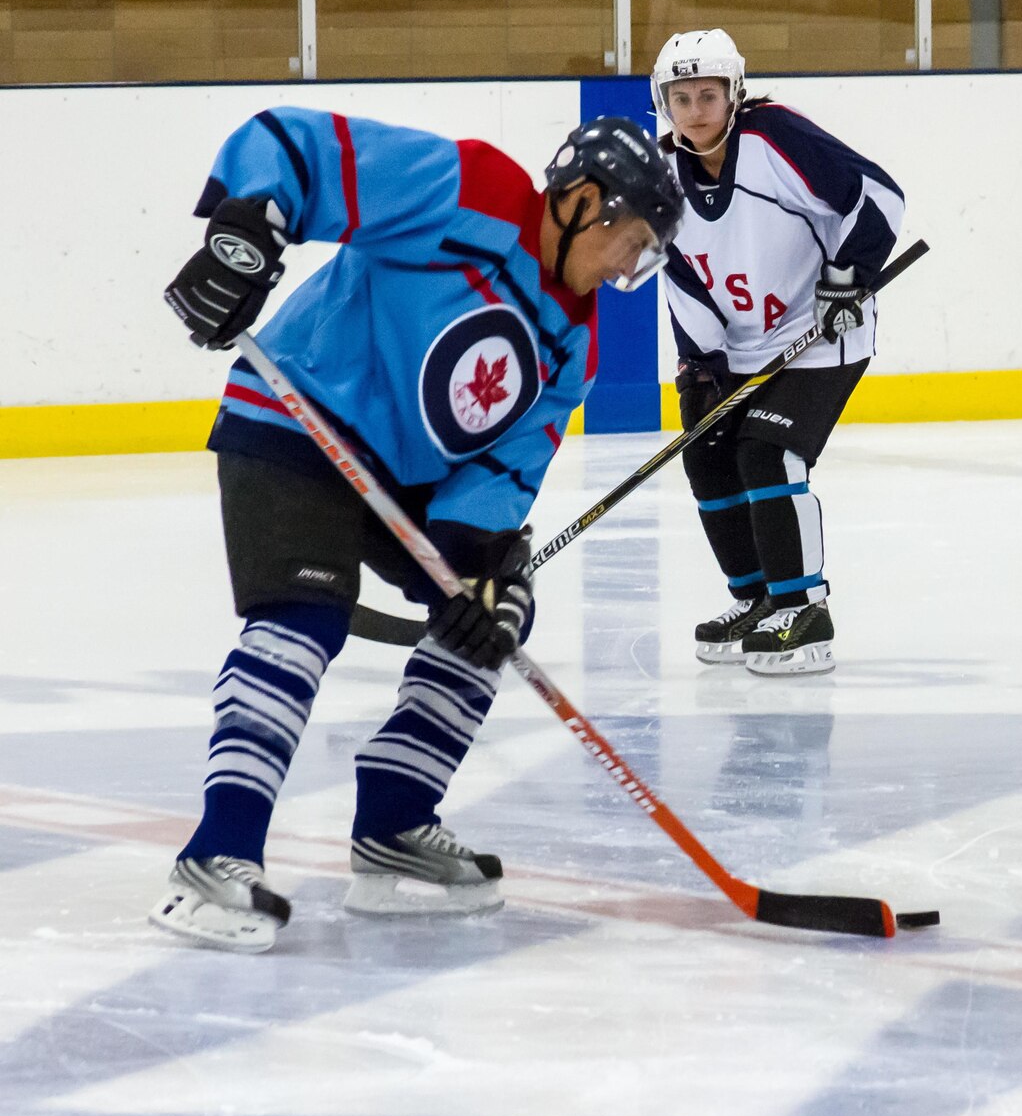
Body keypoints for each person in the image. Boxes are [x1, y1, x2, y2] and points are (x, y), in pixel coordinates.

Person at [153, 109, 682, 954]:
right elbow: (298, 148)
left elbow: (500, 474)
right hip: (296, 420)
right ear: (586, 202)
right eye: (635, 243)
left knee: (499, 612)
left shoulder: (571, 346)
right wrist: (243, 241)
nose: (632, 268)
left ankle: (394, 822)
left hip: (400, 482)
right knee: (303, 620)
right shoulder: (472, 191)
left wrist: (481, 569)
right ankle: (217, 853)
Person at [652, 28, 906, 675]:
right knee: (708, 460)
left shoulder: (774, 138)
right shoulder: (662, 176)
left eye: (708, 94)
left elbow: (879, 196)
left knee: (767, 453)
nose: (697, 110)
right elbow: (675, 269)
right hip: (732, 349)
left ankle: (806, 608)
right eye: (682, 98)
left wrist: (848, 276)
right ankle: (760, 597)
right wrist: (699, 360)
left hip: (821, 335)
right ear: (665, 104)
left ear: (735, 93)